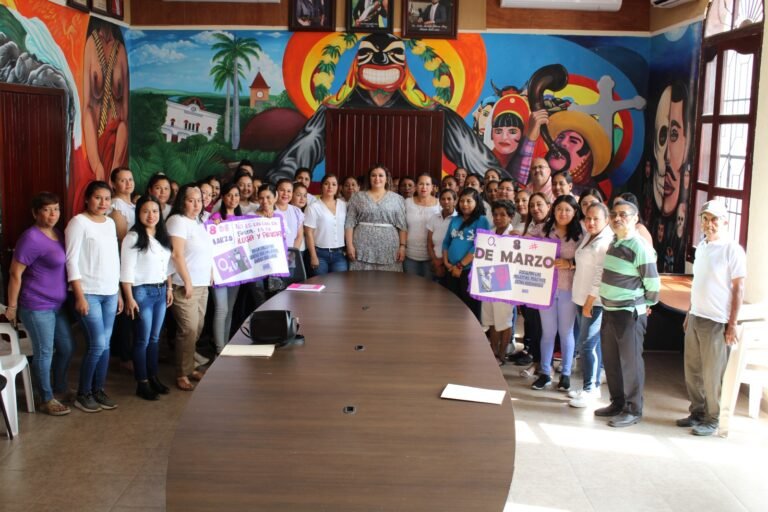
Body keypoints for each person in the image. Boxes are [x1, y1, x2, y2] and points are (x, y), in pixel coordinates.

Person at [678, 200, 746, 436]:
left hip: (718, 321)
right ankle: (696, 412)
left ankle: (712, 418)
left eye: (714, 219)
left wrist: (732, 324)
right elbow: (699, 283)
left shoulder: (732, 250)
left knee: (712, 373)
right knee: (693, 370)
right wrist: (690, 311)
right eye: (705, 219)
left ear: (725, 221)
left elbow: (738, 289)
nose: (709, 224)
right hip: (697, 316)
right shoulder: (703, 247)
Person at [6, 193, 74, 416]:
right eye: (47, 209)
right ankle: (46, 398)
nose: (53, 214)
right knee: (45, 352)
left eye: (56, 209)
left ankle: (60, 388)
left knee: (66, 347)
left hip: (56, 305)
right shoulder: (31, 238)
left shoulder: (56, 233)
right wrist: (12, 307)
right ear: (35, 213)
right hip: (36, 305)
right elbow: (15, 273)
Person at [595, 199, 660, 428]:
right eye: (614, 214)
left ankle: (633, 409)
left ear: (635, 219)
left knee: (630, 363)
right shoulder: (614, 241)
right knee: (611, 361)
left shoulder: (639, 246)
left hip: (629, 314)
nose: (617, 218)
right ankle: (617, 402)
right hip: (610, 311)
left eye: (623, 214)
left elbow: (652, 284)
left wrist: (645, 305)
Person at [65, 181, 122, 413]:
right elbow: (71, 261)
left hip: (110, 292)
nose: (103, 203)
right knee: (97, 344)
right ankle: (83, 393)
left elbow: (113, 259)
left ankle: (98, 389)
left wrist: (118, 292)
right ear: (87, 198)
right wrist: (79, 295)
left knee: (105, 346)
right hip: (88, 292)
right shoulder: (78, 223)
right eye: (98, 198)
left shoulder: (109, 223)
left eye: (107, 198)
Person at [120, 195, 173, 401]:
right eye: (146, 211)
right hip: (141, 293)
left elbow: (166, 266)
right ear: (138, 213)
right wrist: (129, 298)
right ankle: (142, 382)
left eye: (155, 211)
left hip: (160, 291)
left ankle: (153, 376)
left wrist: (169, 288)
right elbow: (126, 271)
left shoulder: (161, 236)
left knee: (155, 339)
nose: (151, 216)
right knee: (142, 339)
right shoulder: (133, 237)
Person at [531, 195, 583, 391]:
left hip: (568, 288)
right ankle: (545, 373)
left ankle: (566, 374)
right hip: (544, 289)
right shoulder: (542, 230)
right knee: (548, 332)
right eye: (560, 209)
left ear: (574, 212)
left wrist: (570, 264)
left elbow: (588, 261)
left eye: (568, 210)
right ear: (553, 210)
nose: (563, 213)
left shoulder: (581, 234)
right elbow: (524, 246)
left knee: (566, 332)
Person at [167, 184, 214, 391]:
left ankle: (191, 365)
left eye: (199, 200)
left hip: (203, 283)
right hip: (184, 284)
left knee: (198, 328)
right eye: (191, 200)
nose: (196, 204)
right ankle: (181, 373)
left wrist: (212, 273)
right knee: (188, 329)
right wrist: (186, 281)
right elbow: (176, 255)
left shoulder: (201, 221)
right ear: (182, 201)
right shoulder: (177, 221)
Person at [568, 201, 613, 408]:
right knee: (589, 344)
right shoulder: (589, 235)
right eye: (588, 218)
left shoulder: (605, 241)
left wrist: (589, 301)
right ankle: (591, 385)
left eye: (596, 219)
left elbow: (600, 275)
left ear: (607, 220)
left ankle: (590, 389)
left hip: (593, 302)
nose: (591, 222)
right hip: (580, 297)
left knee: (587, 345)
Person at [513, 192, 551, 373]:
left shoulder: (553, 228)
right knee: (533, 325)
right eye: (532, 206)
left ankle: (545, 365)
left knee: (544, 329)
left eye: (539, 204)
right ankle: (536, 362)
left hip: (546, 287)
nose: (535, 209)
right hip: (528, 284)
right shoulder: (531, 227)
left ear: (548, 206)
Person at [345, 164, 407, 272]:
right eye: (373, 175)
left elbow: (402, 225)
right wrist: (349, 245)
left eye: (381, 175)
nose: (377, 178)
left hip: (389, 248)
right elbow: (349, 223)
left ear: (386, 179)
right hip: (362, 247)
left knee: (388, 283)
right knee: (361, 281)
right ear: (369, 178)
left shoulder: (397, 199)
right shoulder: (357, 197)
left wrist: (402, 246)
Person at [443, 188, 490, 320]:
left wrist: (460, 265)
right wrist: (447, 263)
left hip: (469, 271)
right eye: (462, 200)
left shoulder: (482, 220)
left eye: (469, 201)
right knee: (453, 305)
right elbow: (446, 242)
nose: (464, 204)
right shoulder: (455, 219)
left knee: (469, 308)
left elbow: (479, 247)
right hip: (451, 269)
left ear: (477, 203)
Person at [208, 183, 244, 355]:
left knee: (229, 309)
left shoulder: (241, 218)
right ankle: (219, 349)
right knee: (221, 309)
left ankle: (225, 345)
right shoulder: (215, 217)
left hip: (236, 268)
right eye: (229, 195)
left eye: (236, 195)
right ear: (223, 197)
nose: (233, 199)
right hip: (220, 269)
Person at [481, 200, 516, 365]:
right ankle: (493, 352)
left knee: (504, 320)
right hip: (487, 277)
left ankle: (502, 354)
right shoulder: (489, 233)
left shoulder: (515, 235)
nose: (498, 218)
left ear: (511, 217)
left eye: (503, 215)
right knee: (491, 319)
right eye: (495, 214)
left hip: (505, 279)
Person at [305, 174, 348, 275]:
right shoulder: (313, 207)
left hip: (339, 254)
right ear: (321, 186)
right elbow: (308, 233)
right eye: (326, 184)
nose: (330, 187)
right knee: (320, 285)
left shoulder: (344, 205)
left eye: (334, 184)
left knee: (339, 287)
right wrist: (313, 256)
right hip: (320, 254)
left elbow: (347, 228)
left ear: (338, 187)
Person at [404, 174, 440, 279]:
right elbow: (402, 227)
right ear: (415, 186)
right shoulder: (407, 202)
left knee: (429, 291)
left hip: (432, 256)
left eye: (427, 184)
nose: (424, 187)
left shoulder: (439, 204)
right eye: (421, 184)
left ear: (432, 187)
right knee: (410, 289)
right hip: (410, 255)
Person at [427, 188, 457, 285]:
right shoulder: (434, 217)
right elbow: (429, 242)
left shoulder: (458, 219)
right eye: (443, 199)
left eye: (449, 199)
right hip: (435, 262)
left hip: (451, 263)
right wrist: (435, 261)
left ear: (455, 201)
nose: (446, 201)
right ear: (439, 201)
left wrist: (443, 262)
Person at [275, 179, 305, 250]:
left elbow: (299, 236)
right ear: (276, 192)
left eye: (289, 191)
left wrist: (292, 254)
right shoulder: (270, 210)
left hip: (292, 254)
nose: (285, 194)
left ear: (292, 193)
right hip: (274, 255)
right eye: (282, 190)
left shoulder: (296, 211)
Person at [109, 167, 135, 242]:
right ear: (113, 184)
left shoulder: (132, 204)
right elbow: (122, 239)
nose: (128, 183)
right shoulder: (117, 205)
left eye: (130, 179)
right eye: (123, 180)